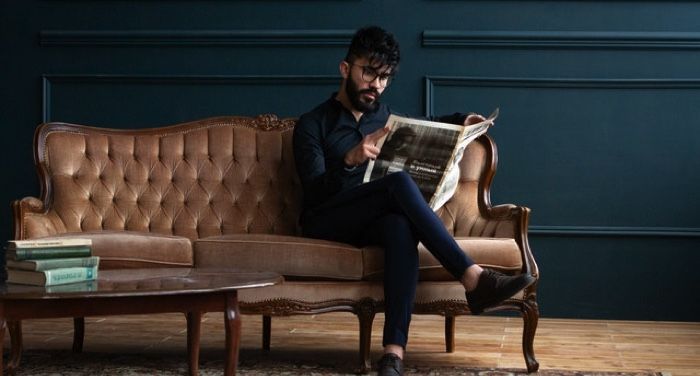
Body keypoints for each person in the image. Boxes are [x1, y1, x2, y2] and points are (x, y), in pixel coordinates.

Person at [292, 26, 535, 376]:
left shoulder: (386, 118)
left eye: (385, 77)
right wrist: (350, 160)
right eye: (369, 73)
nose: (376, 84)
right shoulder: (312, 124)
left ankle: (393, 353)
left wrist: (461, 123)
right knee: (398, 185)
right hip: (325, 221)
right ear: (345, 69)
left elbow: (430, 125)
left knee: (399, 225)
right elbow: (314, 193)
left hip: (371, 223)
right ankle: (474, 278)